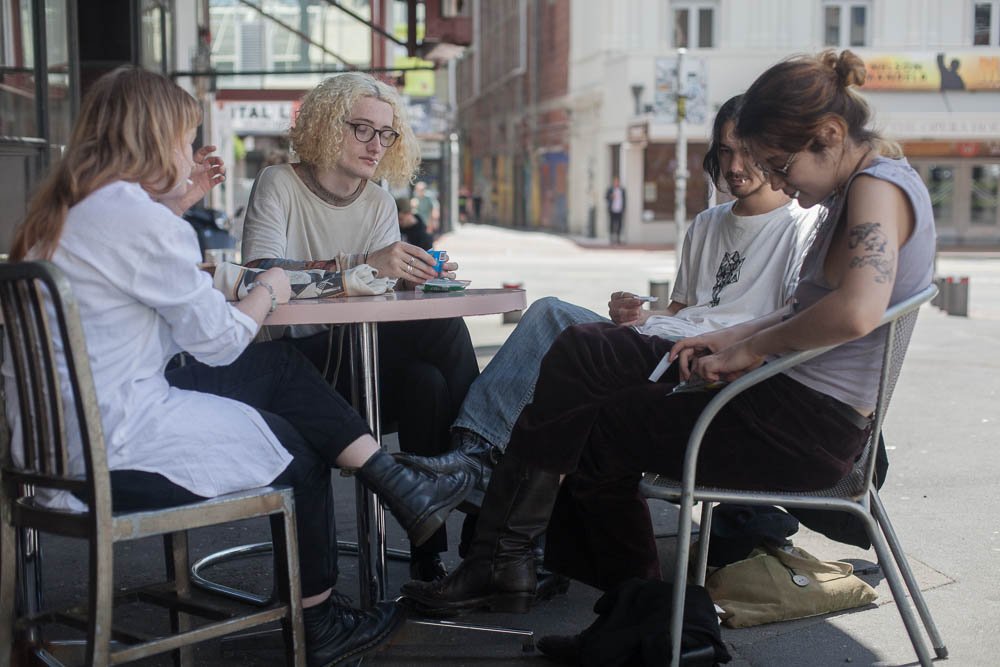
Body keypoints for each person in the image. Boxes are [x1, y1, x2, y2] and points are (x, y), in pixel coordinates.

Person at [400, 49, 935, 615]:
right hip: (786, 408)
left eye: (780, 165)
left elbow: (855, 312)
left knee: (584, 361)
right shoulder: (852, 190)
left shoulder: (877, 185)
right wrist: (728, 341)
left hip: (803, 426)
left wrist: (747, 347)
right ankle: (619, 612)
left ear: (828, 135)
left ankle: (528, 568)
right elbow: (798, 311)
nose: (779, 181)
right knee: (592, 416)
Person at [3, 67, 472, 666]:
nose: (188, 151)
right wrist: (269, 290)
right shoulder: (141, 222)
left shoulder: (61, 214)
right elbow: (220, 342)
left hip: (50, 450)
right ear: (153, 140)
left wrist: (173, 205)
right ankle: (324, 614)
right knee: (298, 446)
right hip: (109, 449)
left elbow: (166, 322)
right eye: (183, 139)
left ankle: (404, 487)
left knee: (280, 372)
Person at [397, 95, 818, 531]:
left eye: (747, 151)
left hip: (703, 363)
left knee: (550, 317)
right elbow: (683, 308)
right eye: (726, 150)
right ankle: (483, 470)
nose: (734, 166)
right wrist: (636, 316)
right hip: (659, 342)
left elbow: (790, 320)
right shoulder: (708, 223)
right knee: (554, 329)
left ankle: (472, 465)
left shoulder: (801, 226)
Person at [241, 71, 480, 583]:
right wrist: (362, 263)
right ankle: (483, 484)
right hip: (298, 365)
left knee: (427, 382)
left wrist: (420, 280)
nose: (377, 145)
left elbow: (382, 295)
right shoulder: (279, 183)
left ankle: (428, 553)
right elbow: (257, 278)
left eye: (387, 133)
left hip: (362, 357)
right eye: (362, 129)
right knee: (444, 331)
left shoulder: (377, 202)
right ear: (328, 125)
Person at [605, 176, 626, 244]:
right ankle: (611, 239)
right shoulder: (610, 189)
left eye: (617, 181)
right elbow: (606, 197)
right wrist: (611, 196)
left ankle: (618, 239)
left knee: (619, 224)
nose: (616, 183)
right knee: (612, 224)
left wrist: (624, 208)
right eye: (615, 181)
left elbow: (624, 199)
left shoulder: (622, 190)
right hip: (612, 209)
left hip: (619, 209)